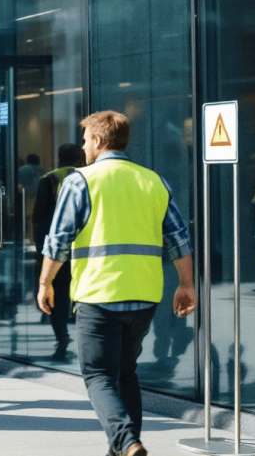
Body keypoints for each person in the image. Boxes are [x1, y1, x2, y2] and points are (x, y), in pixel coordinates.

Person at [37, 111, 196, 456]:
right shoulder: (153, 180)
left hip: (99, 294)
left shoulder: (80, 181)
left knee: (98, 376)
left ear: (97, 140)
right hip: (144, 296)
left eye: (84, 140)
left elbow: (58, 240)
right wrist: (187, 283)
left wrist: (45, 282)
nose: (82, 146)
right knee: (125, 374)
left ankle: (126, 441)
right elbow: (179, 239)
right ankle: (123, 449)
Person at [31, 143, 85, 361]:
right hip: (82, 245)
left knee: (58, 292)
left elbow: (38, 217)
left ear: (59, 158)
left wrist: (40, 248)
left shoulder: (49, 179)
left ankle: (61, 335)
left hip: (56, 246)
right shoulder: (86, 176)